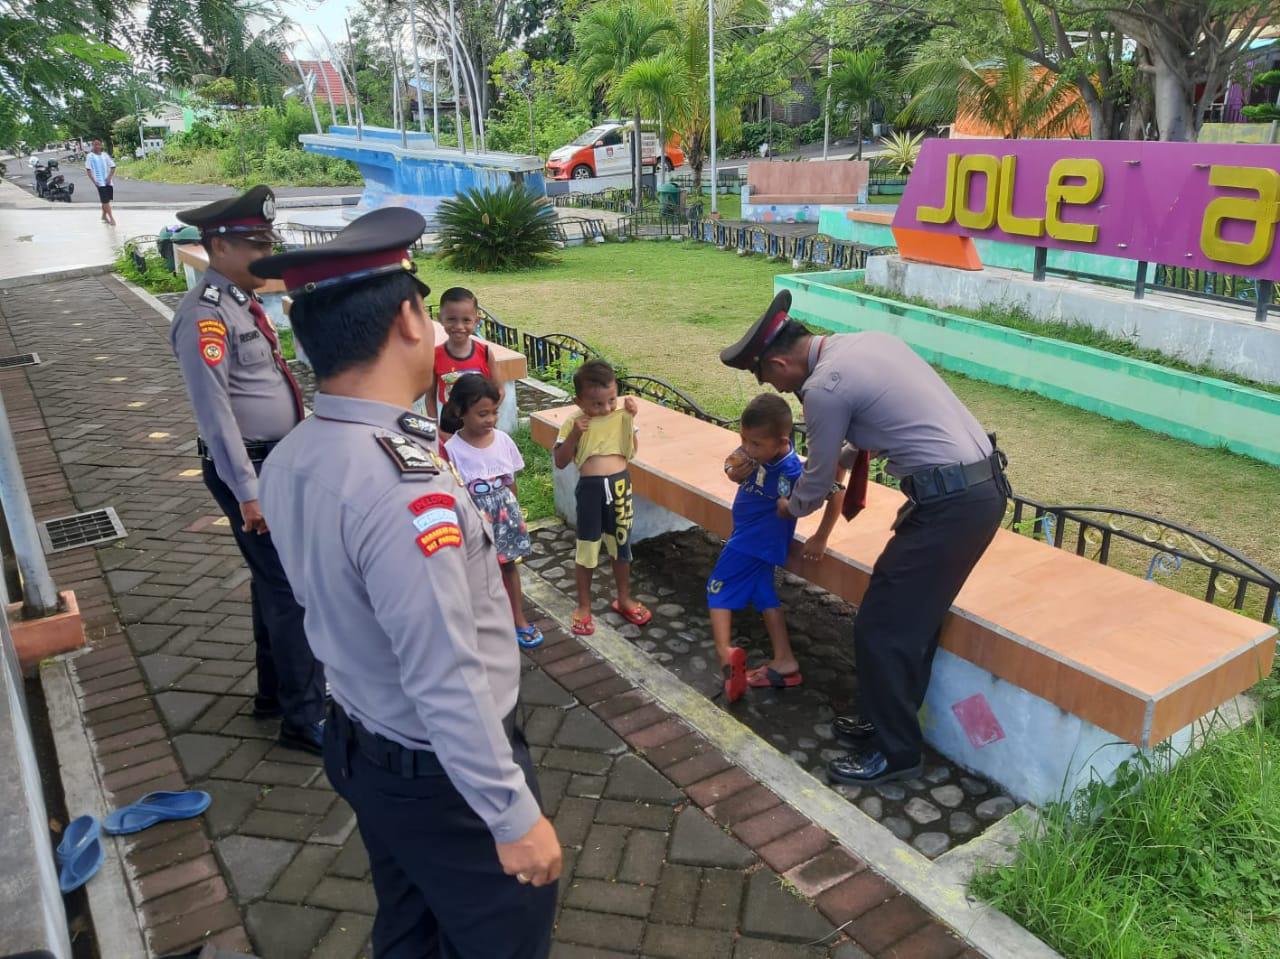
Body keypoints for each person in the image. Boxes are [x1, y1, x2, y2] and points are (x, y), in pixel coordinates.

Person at [251, 206, 561, 958]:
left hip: (364, 742)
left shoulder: (294, 455)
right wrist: (511, 814)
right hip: (441, 780)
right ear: (409, 319)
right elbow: (445, 673)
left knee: (411, 925)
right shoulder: (406, 489)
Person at [720, 290, 1010, 785]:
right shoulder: (863, 344)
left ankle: (896, 753)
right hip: (971, 490)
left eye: (771, 378)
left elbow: (814, 480)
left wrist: (791, 506)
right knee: (908, 623)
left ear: (780, 361)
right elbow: (884, 416)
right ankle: (883, 721)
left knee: (881, 627)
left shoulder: (824, 387)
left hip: (952, 506)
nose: (782, 391)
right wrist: (850, 454)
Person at [169, 185, 325, 755]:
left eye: (268, 240)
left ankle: (275, 697)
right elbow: (216, 416)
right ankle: (306, 718)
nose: (267, 253)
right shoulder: (205, 318)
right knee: (290, 589)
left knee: (272, 586)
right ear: (219, 246)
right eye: (256, 243)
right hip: (251, 469)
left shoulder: (240, 302)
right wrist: (249, 493)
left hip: (273, 461)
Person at [712, 393, 846, 703]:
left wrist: (821, 537)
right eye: (744, 439)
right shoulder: (756, 453)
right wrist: (734, 473)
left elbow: (837, 493)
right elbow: (731, 465)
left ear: (782, 441)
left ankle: (725, 656)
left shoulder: (793, 471)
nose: (747, 447)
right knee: (764, 596)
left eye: (755, 444)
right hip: (750, 537)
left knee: (716, 590)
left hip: (754, 542)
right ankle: (785, 661)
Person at [443, 375, 542, 649]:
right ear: (459, 412)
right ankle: (482, 624)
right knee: (475, 573)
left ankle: (518, 618)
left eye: (494, 412)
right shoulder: (452, 450)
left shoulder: (503, 441)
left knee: (508, 567)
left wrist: (517, 514)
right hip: (472, 522)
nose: (490, 419)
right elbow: (452, 493)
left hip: (504, 517)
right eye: (482, 413)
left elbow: (512, 483)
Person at [552, 359, 648, 637]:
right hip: (591, 490)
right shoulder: (574, 423)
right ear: (579, 401)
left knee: (621, 545)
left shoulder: (622, 416)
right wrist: (573, 436)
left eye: (611, 400)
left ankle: (624, 597)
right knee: (587, 548)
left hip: (620, 486)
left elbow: (632, 451)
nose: (606, 409)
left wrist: (631, 418)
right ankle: (583, 605)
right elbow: (560, 461)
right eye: (597, 404)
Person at [423, 287, 504, 434]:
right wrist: (437, 430)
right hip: (449, 426)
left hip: (480, 426)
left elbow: (499, 390)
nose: (459, 326)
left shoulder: (485, 353)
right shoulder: (434, 356)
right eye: (452, 319)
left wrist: (486, 413)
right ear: (440, 318)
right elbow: (429, 397)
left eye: (466, 320)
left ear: (476, 321)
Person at [84, 139, 116, 225]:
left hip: (108, 182)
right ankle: (111, 218)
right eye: (95, 145)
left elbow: (113, 167)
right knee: (105, 201)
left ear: (101, 145)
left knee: (106, 200)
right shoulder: (90, 156)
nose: (97, 146)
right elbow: (88, 170)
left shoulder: (105, 155)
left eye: (99, 144)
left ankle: (103, 215)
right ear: (92, 145)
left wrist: (109, 178)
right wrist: (94, 181)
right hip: (99, 182)